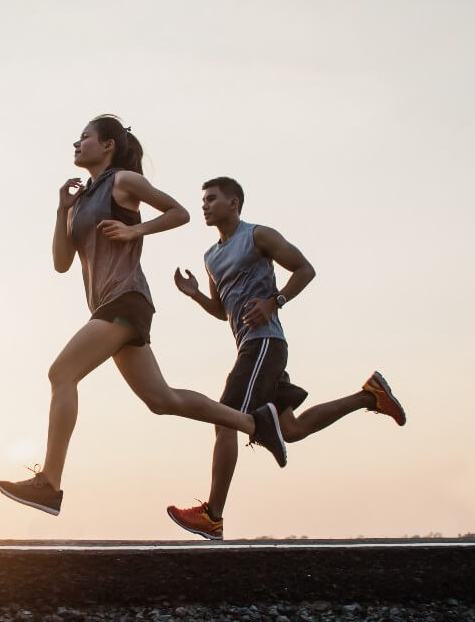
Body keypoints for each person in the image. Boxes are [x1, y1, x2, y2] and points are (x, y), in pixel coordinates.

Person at [0, 118, 287, 517]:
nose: (77, 143)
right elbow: (62, 262)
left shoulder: (124, 181)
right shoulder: (80, 201)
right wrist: (62, 208)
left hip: (126, 299)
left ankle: (50, 483)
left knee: (61, 373)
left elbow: (179, 212)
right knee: (162, 399)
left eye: (85, 137)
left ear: (108, 145)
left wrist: (136, 232)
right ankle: (256, 425)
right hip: (106, 305)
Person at [166, 176, 406, 540]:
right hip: (254, 345)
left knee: (225, 419)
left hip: (264, 344)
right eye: (203, 200)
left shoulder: (258, 235)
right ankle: (369, 395)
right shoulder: (210, 256)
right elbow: (222, 311)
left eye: (212, 199)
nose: (205, 205)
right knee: (291, 430)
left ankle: (213, 515)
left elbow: (305, 269)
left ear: (234, 203)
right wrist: (196, 294)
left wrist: (273, 302)